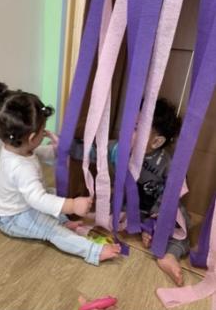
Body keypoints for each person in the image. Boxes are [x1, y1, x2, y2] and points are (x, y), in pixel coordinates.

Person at [0, 82, 121, 266]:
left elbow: (34, 155)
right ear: (32, 138)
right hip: (14, 218)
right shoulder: (20, 167)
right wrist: (71, 205)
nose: (44, 133)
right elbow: (38, 199)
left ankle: (63, 222)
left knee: (54, 193)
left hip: (26, 205)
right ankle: (93, 251)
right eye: (43, 131)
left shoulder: (14, 148)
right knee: (52, 230)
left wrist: (55, 151)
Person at [70, 98, 190, 285]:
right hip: (126, 206)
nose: (126, 131)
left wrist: (154, 221)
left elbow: (171, 193)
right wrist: (65, 147)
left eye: (135, 128)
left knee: (180, 219)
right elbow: (95, 152)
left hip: (154, 209)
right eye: (128, 124)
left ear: (156, 141)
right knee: (101, 207)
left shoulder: (166, 163)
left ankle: (169, 255)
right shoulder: (119, 149)